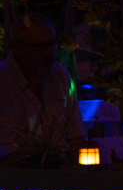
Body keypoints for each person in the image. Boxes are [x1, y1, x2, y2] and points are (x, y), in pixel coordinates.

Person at [0, 14, 84, 161]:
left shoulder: (61, 77)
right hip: (18, 173)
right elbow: (6, 151)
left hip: (62, 171)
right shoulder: (4, 83)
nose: (48, 53)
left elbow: (76, 136)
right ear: (16, 47)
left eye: (51, 45)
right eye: (39, 47)